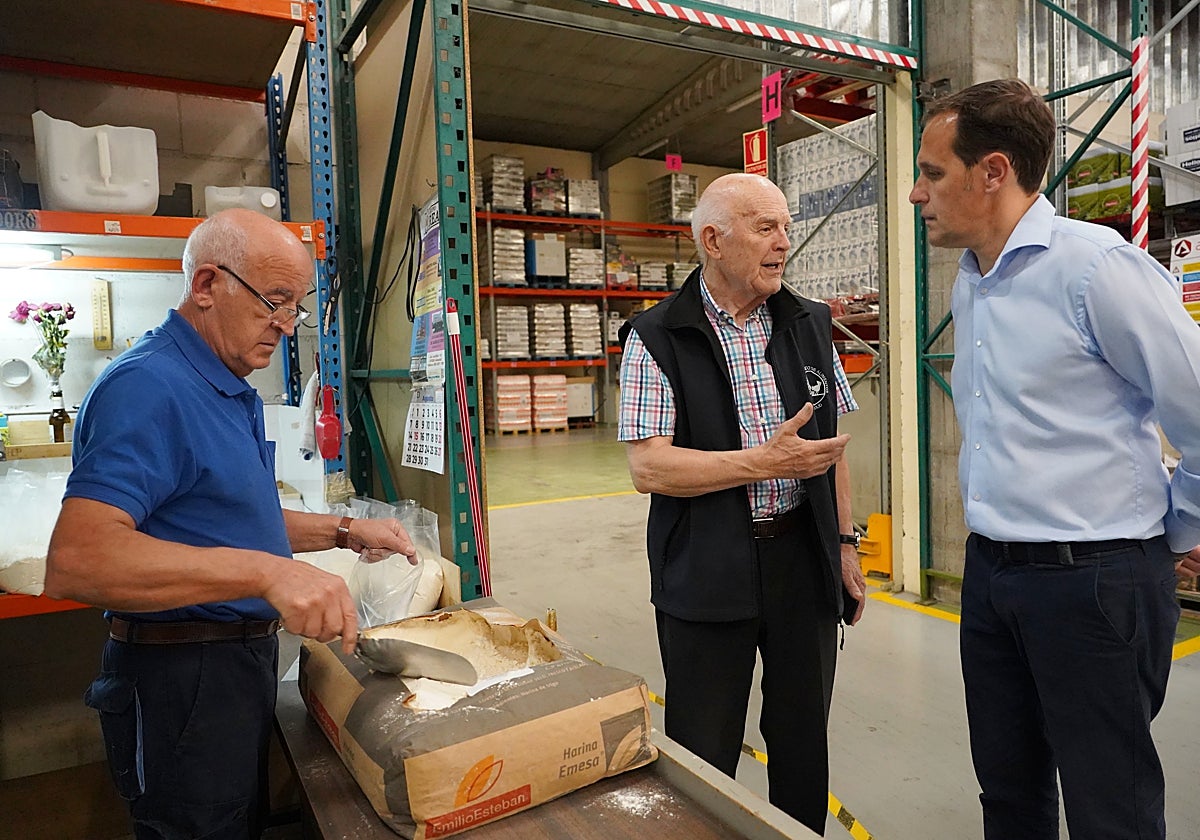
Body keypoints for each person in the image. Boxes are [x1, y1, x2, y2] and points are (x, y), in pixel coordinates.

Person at [44, 208, 418, 840]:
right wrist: (267, 572)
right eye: (274, 300)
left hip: (230, 668)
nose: (284, 324)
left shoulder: (223, 382)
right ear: (207, 285)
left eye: (295, 307)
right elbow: (79, 559)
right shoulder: (150, 387)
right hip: (181, 681)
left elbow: (230, 515)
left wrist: (344, 531)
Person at [909, 78, 1200, 840]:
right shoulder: (973, 279)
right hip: (994, 576)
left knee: (1111, 806)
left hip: (1095, 584)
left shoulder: (1097, 270)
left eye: (932, 173)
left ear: (994, 171)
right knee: (1009, 795)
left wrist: (1171, 532)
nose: (916, 194)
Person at [617, 172, 866, 836]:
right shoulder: (657, 335)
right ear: (712, 239)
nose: (784, 242)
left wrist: (844, 546)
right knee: (703, 748)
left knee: (803, 742)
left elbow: (831, 447)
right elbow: (649, 466)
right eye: (765, 228)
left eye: (785, 227)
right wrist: (763, 462)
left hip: (801, 566)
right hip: (706, 568)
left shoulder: (809, 322)